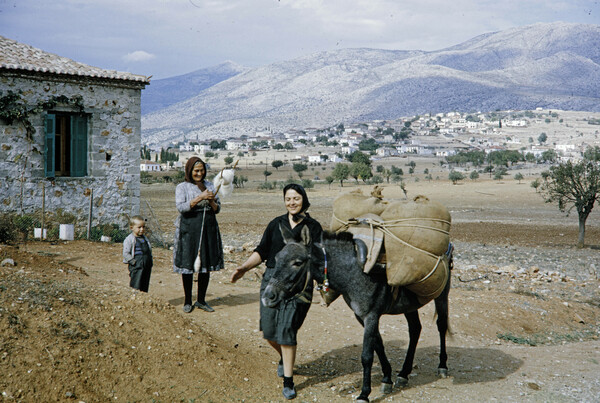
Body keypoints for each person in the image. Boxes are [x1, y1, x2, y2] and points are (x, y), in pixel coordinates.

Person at [230, 183, 322, 400]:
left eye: (296, 198)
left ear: (304, 199)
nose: (292, 202)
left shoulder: (314, 227)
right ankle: (285, 357)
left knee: (287, 330)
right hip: (272, 280)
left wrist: (324, 283)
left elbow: (319, 258)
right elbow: (262, 252)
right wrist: (244, 267)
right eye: (288, 199)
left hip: (298, 285)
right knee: (269, 331)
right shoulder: (275, 224)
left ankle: (288, 381)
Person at [173, 157, 224, 313]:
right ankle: (188, 301)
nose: (199, 173)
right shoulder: (182, 187)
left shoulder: (210, 186)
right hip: (189, 229)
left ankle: (201, 300)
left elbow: (218, 209)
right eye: (196, 170)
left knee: (205, 265)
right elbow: (181, 207)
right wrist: (199, 198)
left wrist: (211, 201)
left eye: (202, 170)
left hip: (207, 228)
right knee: (188, 264)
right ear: (189, 171)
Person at [122, 215, 153, 292]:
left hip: (146, 263)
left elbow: (149, 250)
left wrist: (150, 261)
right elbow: (125, 253)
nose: (142, 229)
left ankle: (143, 297)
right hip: (136, 264)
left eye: (143, 227)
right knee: (136, 282)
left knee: (145, 282)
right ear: (132, 228)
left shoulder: (145, 238)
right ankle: (134, 297)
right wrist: (132, 261)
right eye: (139, 227)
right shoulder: (129, 239)